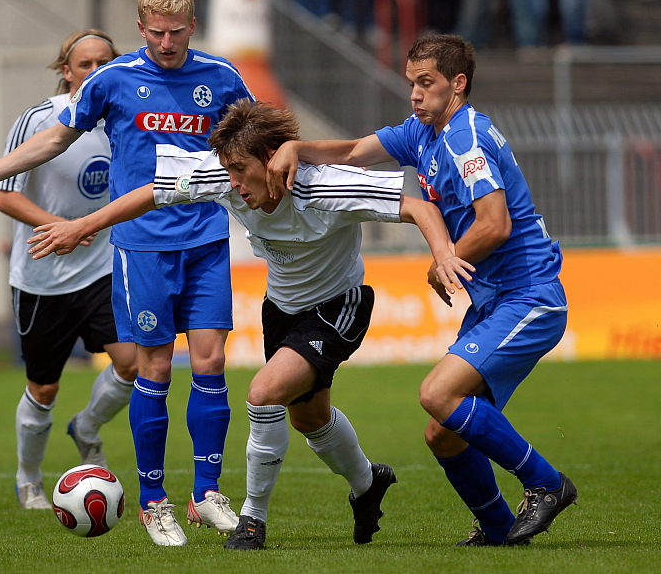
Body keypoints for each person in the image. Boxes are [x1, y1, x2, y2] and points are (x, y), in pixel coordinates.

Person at [24, 98, 475, 549]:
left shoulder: (326, 185)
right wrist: (84, 225)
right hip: (280, 309)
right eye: (228, 170)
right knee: (310, 418)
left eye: (241, 169)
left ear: (273, 160)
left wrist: (443, 256)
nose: (234, 182)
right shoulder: (224, 176)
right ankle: (367, 483)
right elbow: (152, 192)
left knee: (263, 394)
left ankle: (252, 520)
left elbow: (421, 209)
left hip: (339, 305)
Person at [0, 0, 254, 547]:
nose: (168, 42)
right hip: (141, 245)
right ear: (140, 27)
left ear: (192, 27)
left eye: (177, 32)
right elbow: (55, 140)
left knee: (211, 361)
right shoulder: (114, 79)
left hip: (205, 237)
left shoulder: (221, 76)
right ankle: (154, 503)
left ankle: (206, 493)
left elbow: (259, 137)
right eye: (157, 32)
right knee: (154, 367)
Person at [265, 33, 578, 547]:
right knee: (443, 433)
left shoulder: (465, 138)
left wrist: (443, 260)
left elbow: (495, 224)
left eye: (426, 83)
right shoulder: (422, 132)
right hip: (494, 300)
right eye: (411, 82)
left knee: (437, 394)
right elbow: (353, 152)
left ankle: (545, 483)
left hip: (529, 295)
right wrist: (296, 147)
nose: (414, 93)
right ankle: (499, 528)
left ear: (457, 84)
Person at [0, 29, 138, 511]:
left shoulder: (124, 121)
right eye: (84, 64)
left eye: (103, 64)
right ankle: (29, 477)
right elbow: (5, 196)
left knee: (132, 364)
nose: (94, 72)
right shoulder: (39, 119)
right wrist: (63, 226)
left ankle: (88, 426)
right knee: (44, 386)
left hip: (102, 270)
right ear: (66, 71)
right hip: (42, 278)